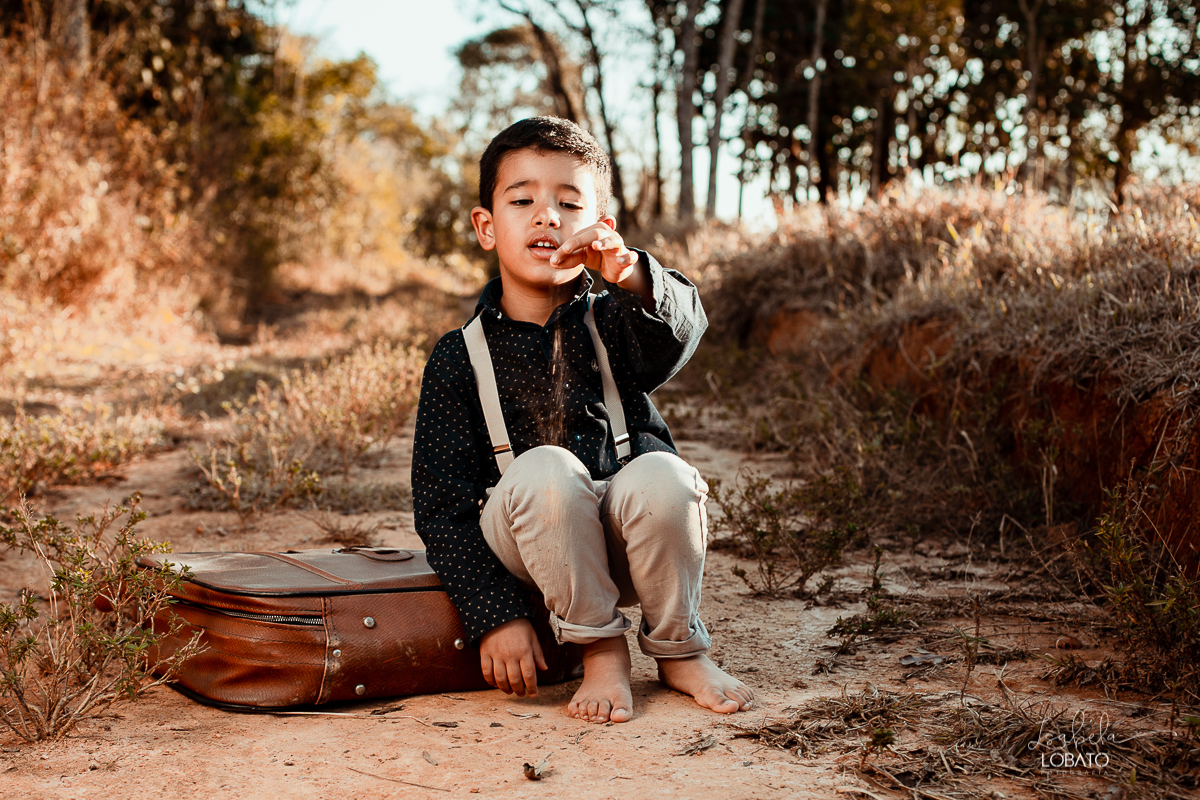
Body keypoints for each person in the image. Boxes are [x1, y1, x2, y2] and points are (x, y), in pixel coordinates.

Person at [411, 116, 753, 723]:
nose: (547, 217)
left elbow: (682, 330)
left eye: (569, 203)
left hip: (627, 544)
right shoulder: (458, 357)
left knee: (664, 476)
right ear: (486, 227)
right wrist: (497, 615)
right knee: (546, 469)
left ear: (600, 226)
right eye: (523, 200)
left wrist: (631, 274)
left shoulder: (618, 321)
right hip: (530, 550)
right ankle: (600, 649)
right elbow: (443, 508)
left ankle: (679, 648)